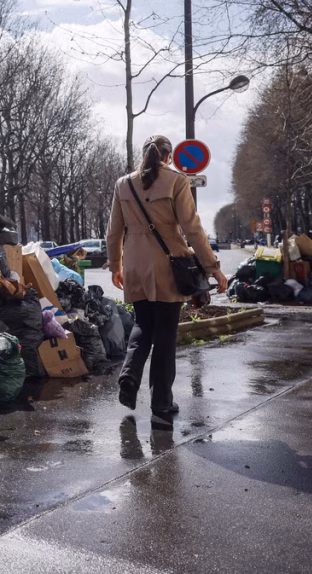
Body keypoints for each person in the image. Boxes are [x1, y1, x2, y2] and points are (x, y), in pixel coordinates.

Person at [106, 135, 227, 428]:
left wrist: (116, 266)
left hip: (135, 263)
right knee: (165, 336)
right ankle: (161, 403)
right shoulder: (177, 180)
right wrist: (213, 269)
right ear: (168, 156)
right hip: (168, 266)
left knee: (142, 325)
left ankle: (129, 374)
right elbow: (193, 230)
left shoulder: (124, 183)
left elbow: (114, 231)